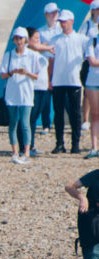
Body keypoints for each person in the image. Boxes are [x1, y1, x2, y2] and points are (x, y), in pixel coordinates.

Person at [0, 27, 40, 165]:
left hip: (26, 93)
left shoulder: (32, 55)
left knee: (25, 123)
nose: (18, 41)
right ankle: (15, 151)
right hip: (12, 94)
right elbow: (3, 74)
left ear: (25, 40)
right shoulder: (9, 55)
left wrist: (26, 73)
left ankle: (27, 151)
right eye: (16, 39)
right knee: (13, 123)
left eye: (20, 38)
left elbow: (36, 75)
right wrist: (13, 72)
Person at [49, 9, 87, 154]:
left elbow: (87, 57)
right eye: (61, 22)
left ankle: (75, 144)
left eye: (65, 21)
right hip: (58, 81)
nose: (62, 24)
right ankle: (59, 143)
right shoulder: (55, 39)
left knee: (75, 113)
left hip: (74, 80)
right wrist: (50, 79)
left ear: (72, 21)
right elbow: (51, 61)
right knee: (58, 113)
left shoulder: (80, 39)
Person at [24, 27, 51, 156]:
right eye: (35, 38)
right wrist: (42, 48)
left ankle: (31, 144)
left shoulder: (41, 53)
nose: (38, 41)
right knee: (30, 118)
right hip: (33, 88)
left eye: (38, 39)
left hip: (43, 88)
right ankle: (27, 145)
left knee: (34, 118)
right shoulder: (28, 53)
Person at [38, 2, 62, 135]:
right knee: (46, 96)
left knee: (60, 96)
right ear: (46, 14)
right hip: (45, 64)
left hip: (59, 63)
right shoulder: (41, 31)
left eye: (56, 12)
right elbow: (36, 46)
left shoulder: (60, 28)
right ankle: (46, 124)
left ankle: (59, 123)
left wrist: (45, 46)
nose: (55, 15)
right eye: (52, 13)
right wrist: (47, 47)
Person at [78, 0, 99, 133]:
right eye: (97, 9)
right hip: (88, 60)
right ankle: (85, 119)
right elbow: (81, 41)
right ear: (92, 10)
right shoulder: (87, 26)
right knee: (87, 91)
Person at [84, 22, 99, 159]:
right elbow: (92, 62)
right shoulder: (92, 41)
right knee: (95, 115)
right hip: (93, 81)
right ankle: (94, 146)